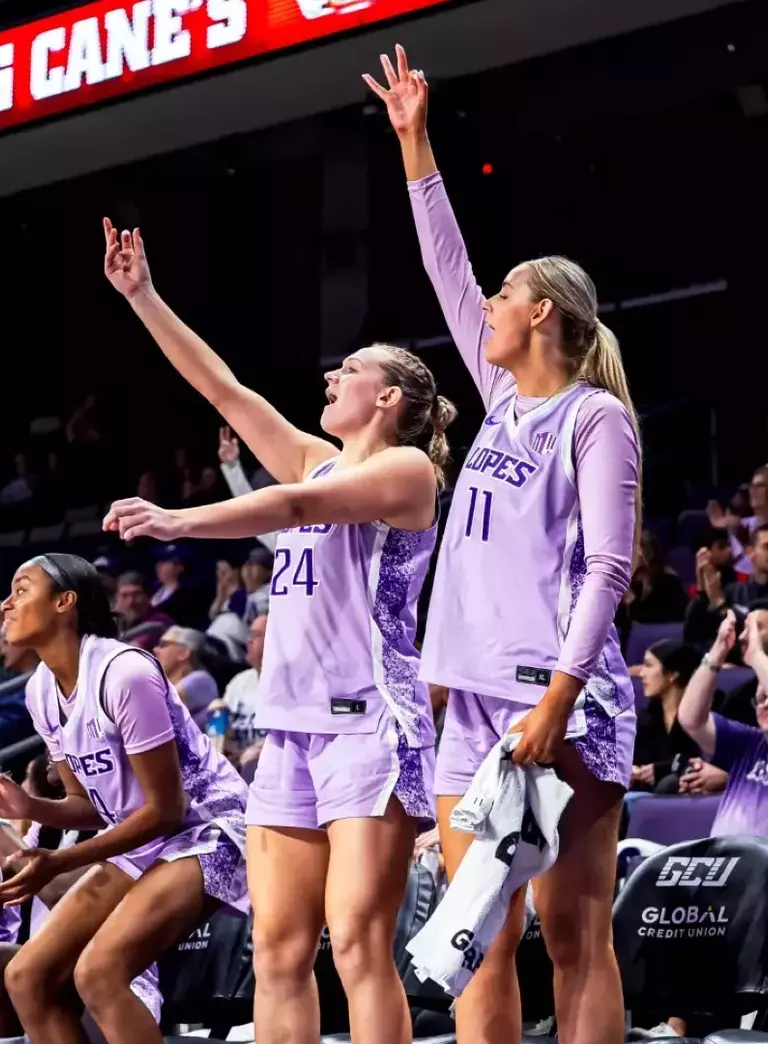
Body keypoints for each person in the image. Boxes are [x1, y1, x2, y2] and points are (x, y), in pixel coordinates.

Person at [101, 217, 455, 1044]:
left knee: (361, 946)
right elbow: (223, 389)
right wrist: (143, 296)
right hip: (289, 734)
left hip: (369, 726)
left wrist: (181, 519)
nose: (333, 373)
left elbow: (294, 509)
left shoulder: (407, 472)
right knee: (277, 949)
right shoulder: (313, 458)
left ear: (390, 399)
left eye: (353, 370)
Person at [364, 44, 640, 1044]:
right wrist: (414, 143)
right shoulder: (497, 407)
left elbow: (609, 565)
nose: (485, 304)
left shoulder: (593, 418)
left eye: (504, 293)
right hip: (474, 699)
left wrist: (557, 699)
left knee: (573, 934)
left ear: (545, 316)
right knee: (474, 932)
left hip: (559, 693)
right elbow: (447, 268)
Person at [0, 552, 249, 1044]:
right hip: (144, 837)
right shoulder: (41, 691)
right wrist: (29, 808)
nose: (5, 603)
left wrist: (59, 859)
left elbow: (167, 809)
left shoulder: (123, 672)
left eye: (21, 589)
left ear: (64, 603)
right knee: (26, 978)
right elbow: (90, 805)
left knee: (100, 971)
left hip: (213, 829)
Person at [631, 640, 702, 792]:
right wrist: (634, 771)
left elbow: (700, 759)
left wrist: (659, 769)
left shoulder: (704, 712)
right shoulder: (648, 717)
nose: (642, 674)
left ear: (672, 674)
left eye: (649, 665)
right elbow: (637, 759)